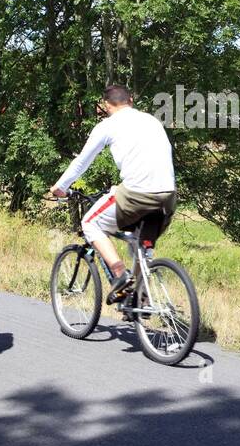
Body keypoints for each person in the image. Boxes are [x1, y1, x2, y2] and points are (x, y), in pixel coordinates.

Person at [50, 84, 177, 304]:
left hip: (138, 194)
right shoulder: (152, 121)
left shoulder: (107, 126)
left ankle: (120, 275)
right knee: (141, 244)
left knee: (90, 222)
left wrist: (60, 187)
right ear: (131, 100)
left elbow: (81, 162)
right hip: (167, 196)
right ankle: (139, 297)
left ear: (107, 105)